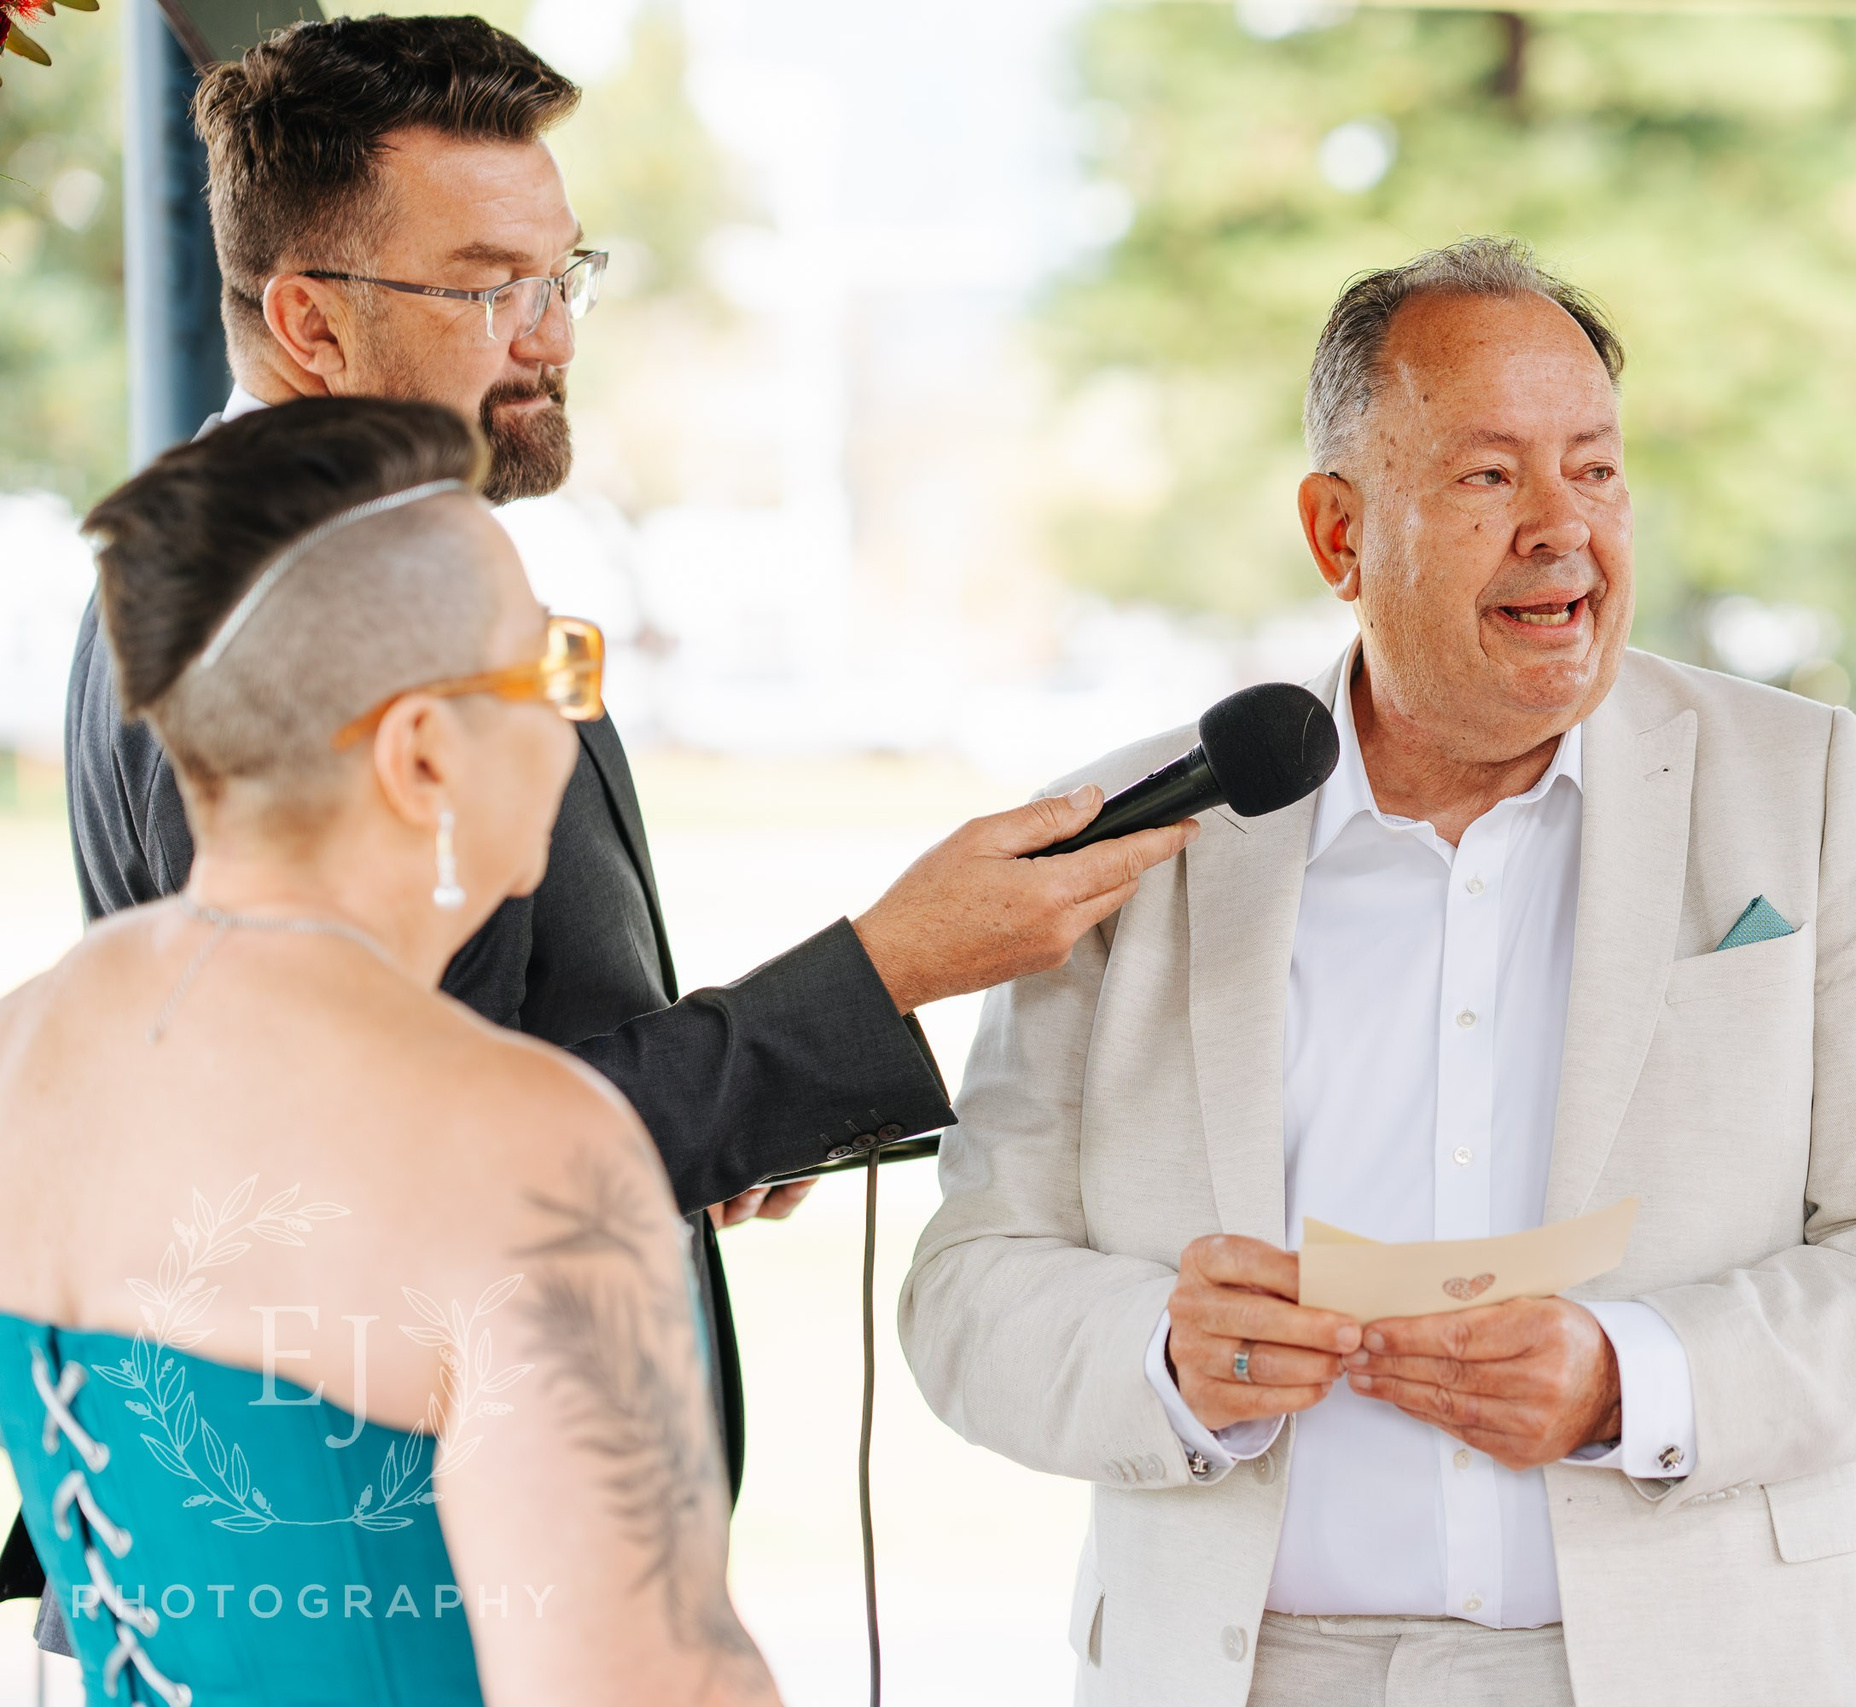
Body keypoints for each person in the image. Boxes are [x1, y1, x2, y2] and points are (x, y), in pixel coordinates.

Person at [7, 10, 1192, 1635]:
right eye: (493, 284)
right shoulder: (293, 636)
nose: (555, 332)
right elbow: (398, 1167)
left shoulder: (303, 573)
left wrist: (720, 1095)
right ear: (308, 319)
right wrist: (886, 968)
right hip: (422, 1564)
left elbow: (467, 1071)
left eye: (568, 273)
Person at [901, 237, 1856, 1707]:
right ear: (1338, 533)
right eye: (1491, 477)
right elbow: (969, 1291)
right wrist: (1160, 1357)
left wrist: (1635, 1377)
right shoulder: (1136, 833)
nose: (1564, 530)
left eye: (1597, 472)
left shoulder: (1797, 788)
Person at [0, 396, 783, 1705]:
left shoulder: (27, 1044)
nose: (570, 716)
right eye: (550, 672)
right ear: (423, 753)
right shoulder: (520, 1144)